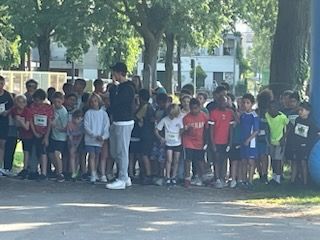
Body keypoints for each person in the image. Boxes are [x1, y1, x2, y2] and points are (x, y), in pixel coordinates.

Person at [106, 62, 135, 190]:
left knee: (122, 151)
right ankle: (125, 175)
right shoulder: (119, 87)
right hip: (117, 121)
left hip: (125, 121)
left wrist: (112, 92)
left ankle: (122, 178)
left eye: (114, 73)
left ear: (119, 73)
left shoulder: (128, 88)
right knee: (116, 151)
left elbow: (118, 103)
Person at [290, 102, 320, 185]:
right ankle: (293, 180)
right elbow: (295, 132)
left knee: (303, 162)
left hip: (305, 146)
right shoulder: (297, 120)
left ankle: (305, 182)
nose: (300, 112)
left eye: (302, 110)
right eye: (299, 110)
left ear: (308, 111)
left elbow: (317, 131)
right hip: (297, 144)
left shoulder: (310, 122)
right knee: (296, 162)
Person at [84, 94, 110, 184]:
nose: (93, 103)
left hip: (99, 140)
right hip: (90, 140)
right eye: (91, 102)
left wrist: (103, 136)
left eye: (95, 101)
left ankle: (96, 171)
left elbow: (106, 126)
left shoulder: (103, 114)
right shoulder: (88, 113)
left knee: (97, 156)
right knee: (91, 155)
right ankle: (93, 173)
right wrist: (94, 135)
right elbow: (86, 126)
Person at [155, 104, 184, 186]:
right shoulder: (165, 119)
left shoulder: (179, 120)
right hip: (168, 143)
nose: (171, 116)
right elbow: (157, 129)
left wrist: (181, 133)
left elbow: (182, 129)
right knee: (169, 160)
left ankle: (173, 176)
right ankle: (167, 176)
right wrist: (161, 138)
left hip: (177, 142)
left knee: (176, 160)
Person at [209, 96, 234, 188]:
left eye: (225, 102)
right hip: (216, 141)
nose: (223, 104)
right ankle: (217, 178)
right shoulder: (213, 113)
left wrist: (230, 142)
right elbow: (211, 130)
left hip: (225, 141)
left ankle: (223, 178)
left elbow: (231, 129)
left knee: (224, 160)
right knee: (216, 160)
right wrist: (212, 143)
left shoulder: (230, 113)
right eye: (221, 102)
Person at [183, 98, 208, 187]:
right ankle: (187, 178)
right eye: (192, 108)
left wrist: (206, 141)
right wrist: (187, 130)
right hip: (188, 141)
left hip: (200, 142)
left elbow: (207, 129)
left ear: (199, 107)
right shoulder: (186, 118)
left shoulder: (204, 116)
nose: (194, 111)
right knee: (188, 160)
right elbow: (183, 131)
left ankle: (201, 177)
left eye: (196, 108)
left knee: (200, 160)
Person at [29, 89, 54, 180]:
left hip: (45, 132)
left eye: (39, 100)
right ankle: (34, 170)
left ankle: (44, 172)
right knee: (35, 151)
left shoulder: (48, 108)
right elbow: (31, 120)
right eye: (35, 100)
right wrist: (35, 132)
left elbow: (49, 122)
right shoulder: (32, 107)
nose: (37, 102)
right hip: (35, 132)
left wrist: (46, 136)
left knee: (43, 151)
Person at [265, 100, 289, 185]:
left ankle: (278, 179)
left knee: (278, 160)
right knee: (273, 159)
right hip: (271, 141)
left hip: (280, 142)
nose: (272, 110)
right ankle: (274, 176)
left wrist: (283, 138)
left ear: (278, 109)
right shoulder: (267, 115)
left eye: (274, 108)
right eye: (270, 108)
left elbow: (289, 127)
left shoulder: (282, 117)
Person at [239, 93, 259, 188]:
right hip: (243, 140)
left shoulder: (254, 116)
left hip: (251, 142)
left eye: (248, 103)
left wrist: (249, 140)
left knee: (251, 161)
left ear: (252, 104)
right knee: (243, 161)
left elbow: (256, 130)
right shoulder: (242, 115)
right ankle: (243, 180)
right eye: (244, 102)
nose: (245, 105)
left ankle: (250, 181)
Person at [135, 89, 155, 184]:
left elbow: (136, 117)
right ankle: (146, 173)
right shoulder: (151, 107)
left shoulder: (145, 107)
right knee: (145, 154)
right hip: (149, 134)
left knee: (144, 155)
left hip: (145, 134)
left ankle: (148, 174)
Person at [11, 95, 33, 179]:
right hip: (21, 134)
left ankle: (26, 168)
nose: (20, 104)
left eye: (22, 102)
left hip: (29, 134)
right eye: (18, 101)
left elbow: (27, 127)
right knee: (24, 150)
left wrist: (20, 120)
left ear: (25, 103)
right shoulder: (14, 110)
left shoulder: (27, 112)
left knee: (26, 151)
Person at [49, 92, 69, 182]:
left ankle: (60, 173)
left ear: (62, 101)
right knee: (51, 154)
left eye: (58, 102)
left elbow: (65, 128)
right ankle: (57, 170)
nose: (57, 104)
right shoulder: (52, 108)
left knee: (57, 154)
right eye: (55, 102)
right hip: (53, 136)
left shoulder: (64, 112)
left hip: (61, 137)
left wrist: (55, 126)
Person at [150, 93, 168, 185]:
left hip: (163, 136)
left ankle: (161, 174)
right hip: (156, 137)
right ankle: (156, 173)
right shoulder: (157, 109)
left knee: (161, 158)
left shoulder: (167, 111)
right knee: (155, 156)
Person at [0, 76, 14, 176]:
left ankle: (1, 167)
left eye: (1, 84)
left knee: (2, 144)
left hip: (3, 122)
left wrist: (7, 112)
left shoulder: (7, 95)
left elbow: (12, 107)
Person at [67, 110, 84, 181]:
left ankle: (76, 172)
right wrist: (72, 144)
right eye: (75, 118)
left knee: (77, 157)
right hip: (71, 143)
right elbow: (69, 135)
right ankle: (73, 172)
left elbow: (81, 136)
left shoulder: (82, 125)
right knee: (72, 156)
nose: (76, 120)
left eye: (78, 119)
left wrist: (77, 145)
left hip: (78, 143)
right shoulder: (70, 124)